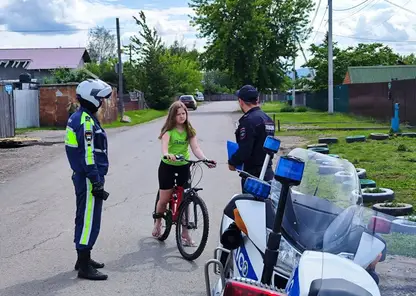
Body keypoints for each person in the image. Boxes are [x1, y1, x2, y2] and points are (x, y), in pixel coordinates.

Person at [64, 79, 112, 281]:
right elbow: (88, 154)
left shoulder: (81, 117)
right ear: (91, 98)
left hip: (83, 176)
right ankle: (84, 264)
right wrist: (96, 180)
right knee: (89, 220)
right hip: (88, 177)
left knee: (84, 216)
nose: (102, 102)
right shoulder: (85, 122)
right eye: (100, 98)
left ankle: (83, 257)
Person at [152, 101, 216, 244]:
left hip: (183, 167)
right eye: (178, 114)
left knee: (185, 201)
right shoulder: (168, 132)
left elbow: (195, 148)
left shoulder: (189, 131)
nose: (181, 116)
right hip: (167, 166)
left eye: (183, 113)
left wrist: (205, 160)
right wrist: (168, 155)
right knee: (163, 200)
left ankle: (185, 234)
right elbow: (164, 148)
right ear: (172, 117)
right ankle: (157, 222)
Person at [228, 85, 276, 191]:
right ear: (257, 100)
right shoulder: (268, 119)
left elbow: (245, 150)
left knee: (249, 205)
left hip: (253, 176)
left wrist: (232, 162)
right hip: (267, 172)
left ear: (240, 101)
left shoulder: (248, 121)